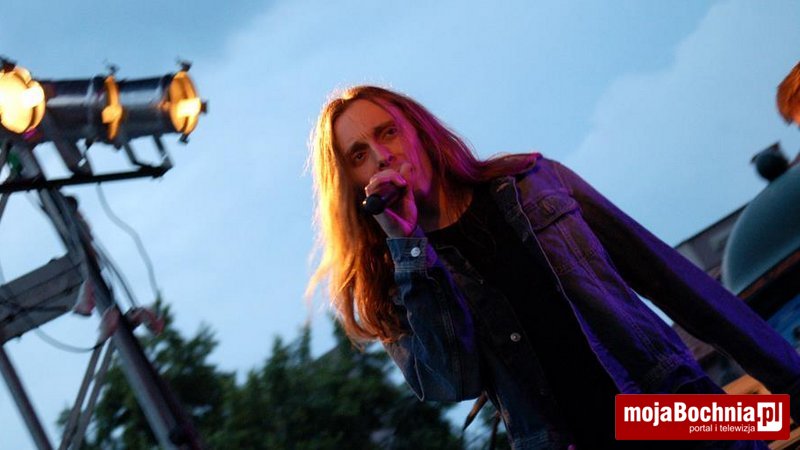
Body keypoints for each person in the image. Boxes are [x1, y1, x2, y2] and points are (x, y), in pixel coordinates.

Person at [306, 85, 800, 449]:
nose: (382, 155)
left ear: (418, 130)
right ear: (353, 185)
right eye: (359, 155)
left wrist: (789, 382)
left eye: (388, 131)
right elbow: (452, 381)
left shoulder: (533, 181)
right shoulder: (394, 283)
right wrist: (408, 246)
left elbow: (673, 282)